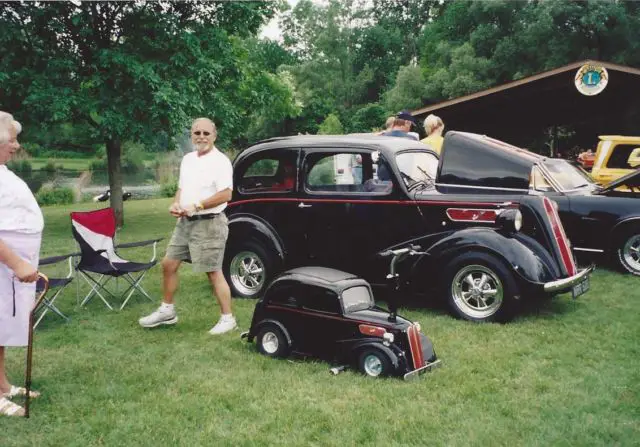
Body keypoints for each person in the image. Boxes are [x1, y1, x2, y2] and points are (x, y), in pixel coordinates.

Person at [139, 117, 236, 335]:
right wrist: (176, 203)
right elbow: (182, 188)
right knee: (168, 264)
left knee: (213, 271)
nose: (201, 137)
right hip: (185, 222)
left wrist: (198, 205)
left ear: (214, 135)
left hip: (209, 223)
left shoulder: (220, 161)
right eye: (197, 133)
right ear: (191, 135)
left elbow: (226, 194)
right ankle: (167, 311)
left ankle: (228, 318)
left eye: (205, 133)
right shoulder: (188, 159)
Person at [0, 111, 44, 417]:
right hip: (7, 264)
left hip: (11, 267)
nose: (17, 146)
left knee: (1, 327)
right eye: (13, 139)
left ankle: (2, 384)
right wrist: (16, 262)